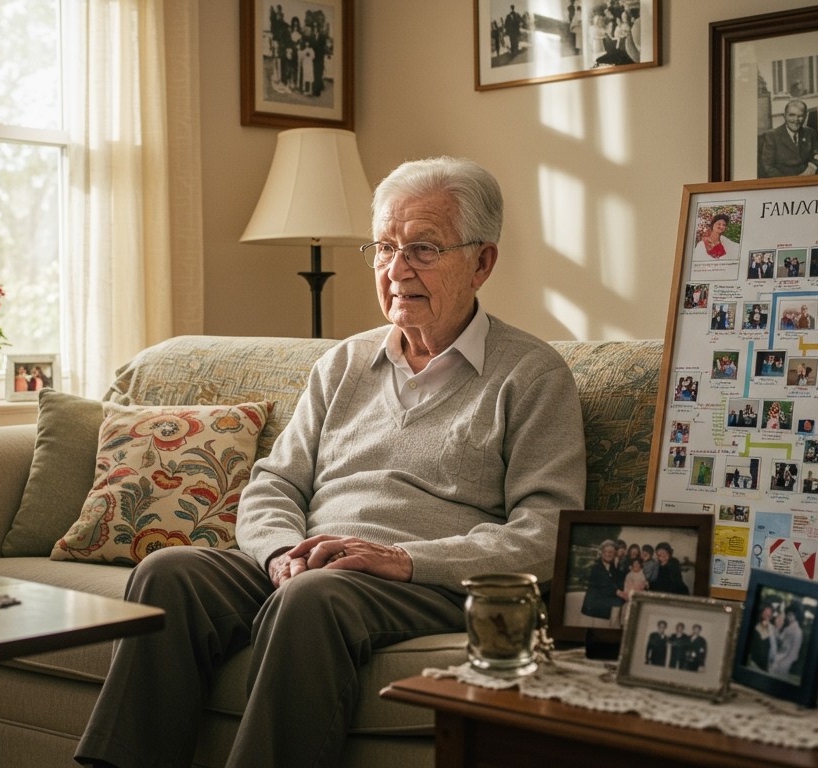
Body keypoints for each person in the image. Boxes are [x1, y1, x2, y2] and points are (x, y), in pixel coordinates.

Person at [75, 157, 588, 767]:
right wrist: (278, 554)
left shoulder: (530, 374)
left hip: (425, 580)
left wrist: (402, 559)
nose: (396, 271)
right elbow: (273, 483)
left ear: (482, 262)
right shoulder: (344, 364)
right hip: (312, 567)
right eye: (384, 248)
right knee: (171, 573)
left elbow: (548, 530)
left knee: (315, 598)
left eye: (423, 249)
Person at [758, 99, 818, 178]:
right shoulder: (772, 136)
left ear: (805, 117)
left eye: (800, 116)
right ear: (784, 116)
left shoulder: (810, 133)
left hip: (809, 180)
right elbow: (768, 167)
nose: (796, 120)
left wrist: (813, 166)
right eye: (791, 115)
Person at [582, 539, 626, 622]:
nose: (608, 554)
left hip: (604, 609)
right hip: (593, 610)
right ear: (602, 553)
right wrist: (621, 593)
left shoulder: (613, 567)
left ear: (614, 554)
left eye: (611, 552)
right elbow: (605, 584)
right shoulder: (596, 566)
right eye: (605, 552)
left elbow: (618, 582)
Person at [769, 601, 804, 678]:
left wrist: (782, 665)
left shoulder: (798, 631)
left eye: (791, 615)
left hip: (784, 663)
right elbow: (780, 639)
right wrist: (775, 630)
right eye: (788, 614)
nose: (789, 617)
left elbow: (794, 654)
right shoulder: (788, 628)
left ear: (796, 616)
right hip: (777, 658)